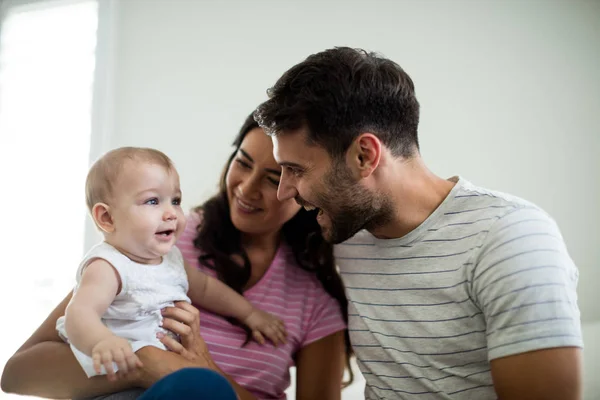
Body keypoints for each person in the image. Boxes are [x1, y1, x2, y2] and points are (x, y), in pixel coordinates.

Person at [254, 46, 583, 400]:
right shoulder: (343, 225)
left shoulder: (510, 239)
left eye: (296, 170)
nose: (284, 191)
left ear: (364, 156)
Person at [1, 116, 352, 400]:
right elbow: (17, 373)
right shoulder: (147, 248)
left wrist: (209, 372)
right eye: (241, 163)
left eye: (273, 178)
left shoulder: (316, 304)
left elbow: (204, 288)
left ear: (308, 192)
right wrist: (146, 363)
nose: (246, 188)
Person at [55, 146, 286, 380]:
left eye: (175, 200)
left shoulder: (171, 258)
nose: (171, 213)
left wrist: (248, 313)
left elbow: (206, 288)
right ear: (107, 218)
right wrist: (102, 342)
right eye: (153, 201)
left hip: (164, 374)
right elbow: (79, 312)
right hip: (121, 379)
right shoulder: (108, 266)